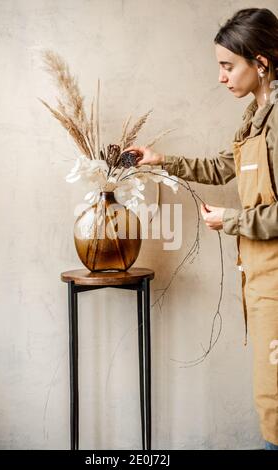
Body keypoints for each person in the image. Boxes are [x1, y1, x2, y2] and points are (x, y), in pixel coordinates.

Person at [126, 8, 278, 450]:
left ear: (261, 63)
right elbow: (222, 167)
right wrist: (160, 160)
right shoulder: (257, 115)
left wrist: (230, 221)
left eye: (228, 66)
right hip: (263, 278)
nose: (221, 77)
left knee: (275, 403)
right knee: (270, 397)